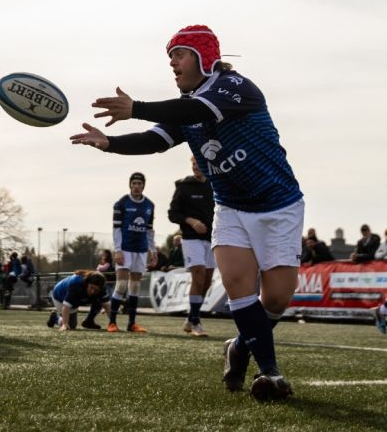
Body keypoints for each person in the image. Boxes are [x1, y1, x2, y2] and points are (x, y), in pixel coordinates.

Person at [70, 24, 303, 401]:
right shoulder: (186, 106)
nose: (172, 63)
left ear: (203, 57)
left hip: (279, 205)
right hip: (230, 208)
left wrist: (138, 108)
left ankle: (239, 347)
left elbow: (194, 108)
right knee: (238, 288)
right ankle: (271, 374)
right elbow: (154, 140)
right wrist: (109, 143)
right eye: (170, 57)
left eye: (178, 54)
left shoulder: (235, 87)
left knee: (275, 300)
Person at [168, 156, 216, 336]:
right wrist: (191, 221)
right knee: (199, 275)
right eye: (193, 164)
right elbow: (173, 214)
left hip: (212, 239)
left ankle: (191, 316)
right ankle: (196, 322)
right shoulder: (183, 186)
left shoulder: (215, 185)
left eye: (199, 163)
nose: (195, 167)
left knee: (207, 281)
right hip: (190, 238)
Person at [108, 172, 156, 334]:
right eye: (134, 183)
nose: (136, 186)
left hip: (141, 250)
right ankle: (112, 322)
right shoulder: (121, 203)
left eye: (139, 184)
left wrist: (153, 250)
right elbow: (116, 229)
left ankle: (132, 323)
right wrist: (117, 250)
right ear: (130, 185)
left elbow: (149, 231)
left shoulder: (150, 205)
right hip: (125, 249)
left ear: (144, 185)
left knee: (134, 286)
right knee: (121, 284)